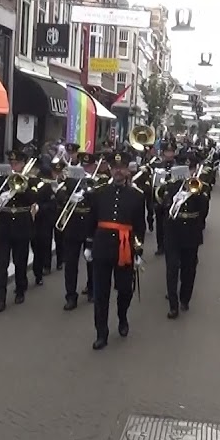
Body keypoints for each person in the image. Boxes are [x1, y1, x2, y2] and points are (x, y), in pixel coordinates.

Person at [83, 150, 147, 350]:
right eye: (115, 167)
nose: (118, 171)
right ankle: (101, 333)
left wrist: (138, 252)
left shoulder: (137, 196)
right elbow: (91, 220)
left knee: (125, 290)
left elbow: (139, 226)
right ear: (110, 169)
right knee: (101, 292)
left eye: (122, 168)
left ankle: (122, 317)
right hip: (102, 246)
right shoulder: (99, 192)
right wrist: (88, 244)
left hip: (125, 247)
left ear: (128, 170)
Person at [0, 150, 42, 312]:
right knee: (2, 263)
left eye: (16, 163)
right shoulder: (2, 179)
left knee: (20, 260)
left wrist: (22, 187)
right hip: (4, 224)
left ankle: (20, 289)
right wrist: (0, 197)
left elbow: (33, 198)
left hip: (22, 223)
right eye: (12, 163)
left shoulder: (31, 180)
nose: (14, 165)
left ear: (23, 163)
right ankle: (0, 299)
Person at [162, 151, 211, 319]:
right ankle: (173, 305)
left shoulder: (201, 186)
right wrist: (174, 195)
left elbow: (204, 210)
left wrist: (195, 192)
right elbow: (163, 203)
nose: (188, 171)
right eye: (185, 167)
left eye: (191, 168)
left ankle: (184, 298)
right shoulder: (172, 184)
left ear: (195, 168)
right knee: (172, 268)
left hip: (191, 232)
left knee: (189, 270)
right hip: (173, 231)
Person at [58, 152, 101, 310]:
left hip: (91, 224)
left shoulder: (100, 181)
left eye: (89, 166)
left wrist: (90, 194)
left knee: (91, 260)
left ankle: (92, 289)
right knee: (70, 263)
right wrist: (68, 198)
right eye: (83, 166)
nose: (86, 168)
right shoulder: (70, 179)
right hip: (73, 223)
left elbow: (101, 202)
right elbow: (59, 192)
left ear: (94, 166)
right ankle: (70, 296)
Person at [30, 159, 59, 283]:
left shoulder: (47, 186)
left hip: (44, 220)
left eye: (34, 170)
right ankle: (38, 270)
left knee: (44, 245)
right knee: (34, 246)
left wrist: (39, 208)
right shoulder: (30, 183)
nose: (33, 172)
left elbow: (52, 204)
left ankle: (41, 272)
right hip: (31, 221)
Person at [150, 142, 176, 255]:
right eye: (167, 152)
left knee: (171, 225)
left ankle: (171, 245)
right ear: (163, 153)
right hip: (159, 199)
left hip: (173, 200)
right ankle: (160, 246)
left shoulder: (179, 166)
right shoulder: (157, 166)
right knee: (160, 224)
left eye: (171, 152)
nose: (169, 154)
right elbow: (153, 184)